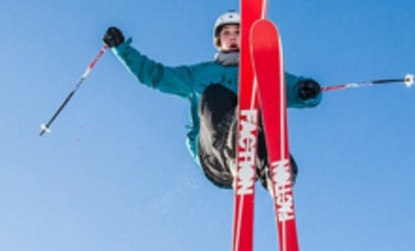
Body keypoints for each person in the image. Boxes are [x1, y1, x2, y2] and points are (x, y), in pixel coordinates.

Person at [103, 14, 322, 188]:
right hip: (215, 157)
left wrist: (307, 90)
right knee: (214, 94)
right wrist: (121, 49)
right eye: (227, 33)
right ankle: (236, 158)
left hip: (255, 147)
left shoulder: (262, 74)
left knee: (253, 107)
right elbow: (155, 75)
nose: (233, 37)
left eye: (238, 33)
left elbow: (292, 90)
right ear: (219, 41)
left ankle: (276, 175)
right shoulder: (199, 75)